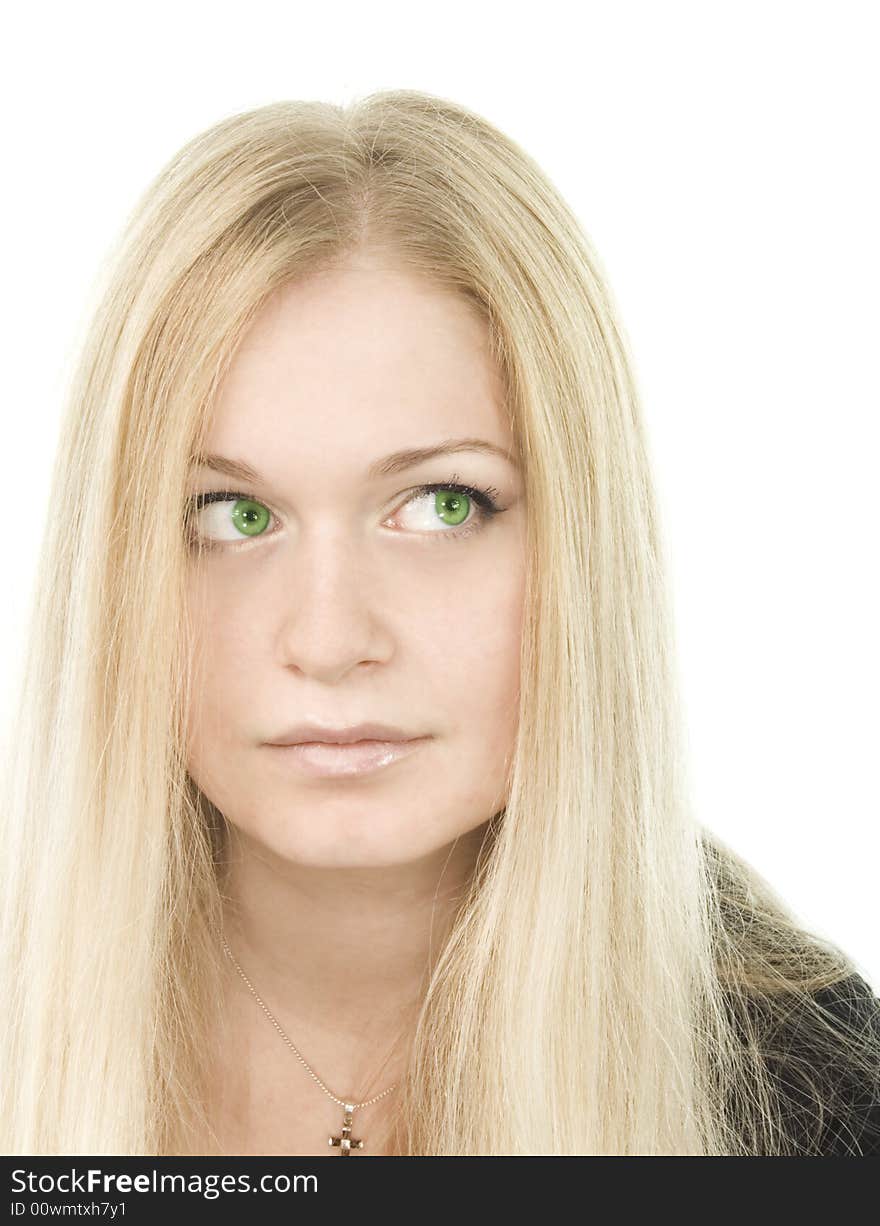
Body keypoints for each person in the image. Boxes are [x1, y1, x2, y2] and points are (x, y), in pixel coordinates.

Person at [1, 89, 877, 1157]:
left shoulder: (809, 1087)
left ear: (582, 543)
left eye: (441, 505)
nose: (328, 640)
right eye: (231, 514)